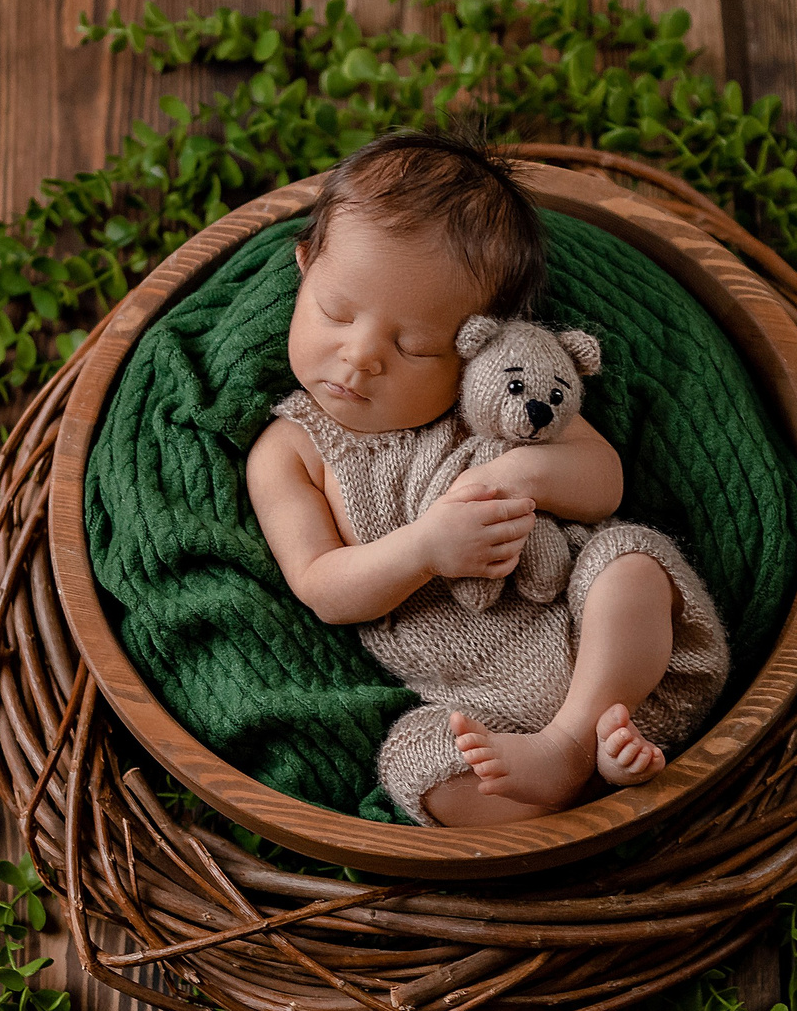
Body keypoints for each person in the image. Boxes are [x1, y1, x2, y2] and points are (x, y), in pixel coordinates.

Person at [244, 128, 729, 827]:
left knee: (630, 561)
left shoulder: (494, 392)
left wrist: (519, 471)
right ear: (303, 267)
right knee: (412, 761)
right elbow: (322, 583)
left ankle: (578, 738)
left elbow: (603, 482)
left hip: (602, 649)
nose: (360, 356)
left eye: (412, 345)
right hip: (482, 709)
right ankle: (575, 795)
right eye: (335, 312)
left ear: (477, 338)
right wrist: (425, 548)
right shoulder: (290, 449)